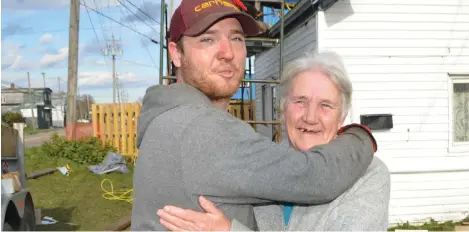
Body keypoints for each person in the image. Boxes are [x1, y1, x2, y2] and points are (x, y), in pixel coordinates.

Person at [130, 0, 377, 230]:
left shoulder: (168, 119)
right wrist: (361, 135)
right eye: (207, 40)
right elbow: (318, 176)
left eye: (236, 38)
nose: (227, 52)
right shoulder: (202, 129)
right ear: (176, 53)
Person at [156, 51, 391, 231]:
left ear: (342, 116)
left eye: (325, 105)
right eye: (300, 101)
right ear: (283, 109)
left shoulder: (368, 175)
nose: (310, 116)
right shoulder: (265, 166)